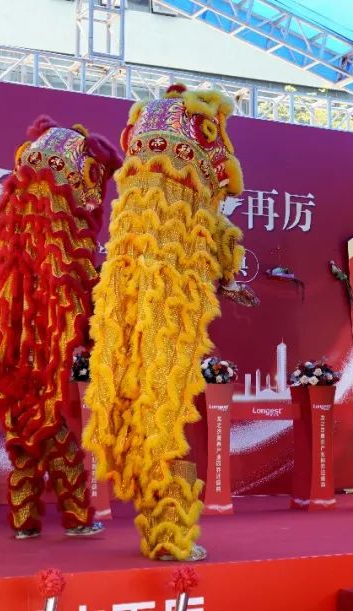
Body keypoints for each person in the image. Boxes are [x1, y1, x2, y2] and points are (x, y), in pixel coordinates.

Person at [83, 84, 258, 561]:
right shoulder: (198, 149)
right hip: (172, 291)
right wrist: (226, 272)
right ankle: (169, 531)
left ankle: (159, 519)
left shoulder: (141, 171)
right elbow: (225, 198)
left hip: (129, 286)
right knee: (167, 405)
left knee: (144, 399)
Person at [0, 116, 121, 539]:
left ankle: (25, 516)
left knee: (24, 411)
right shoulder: (65, 251)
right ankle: (74, 512)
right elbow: (84, 305)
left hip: (22, 333)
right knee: (41, 410)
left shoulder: (19, 247)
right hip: (45, 331)